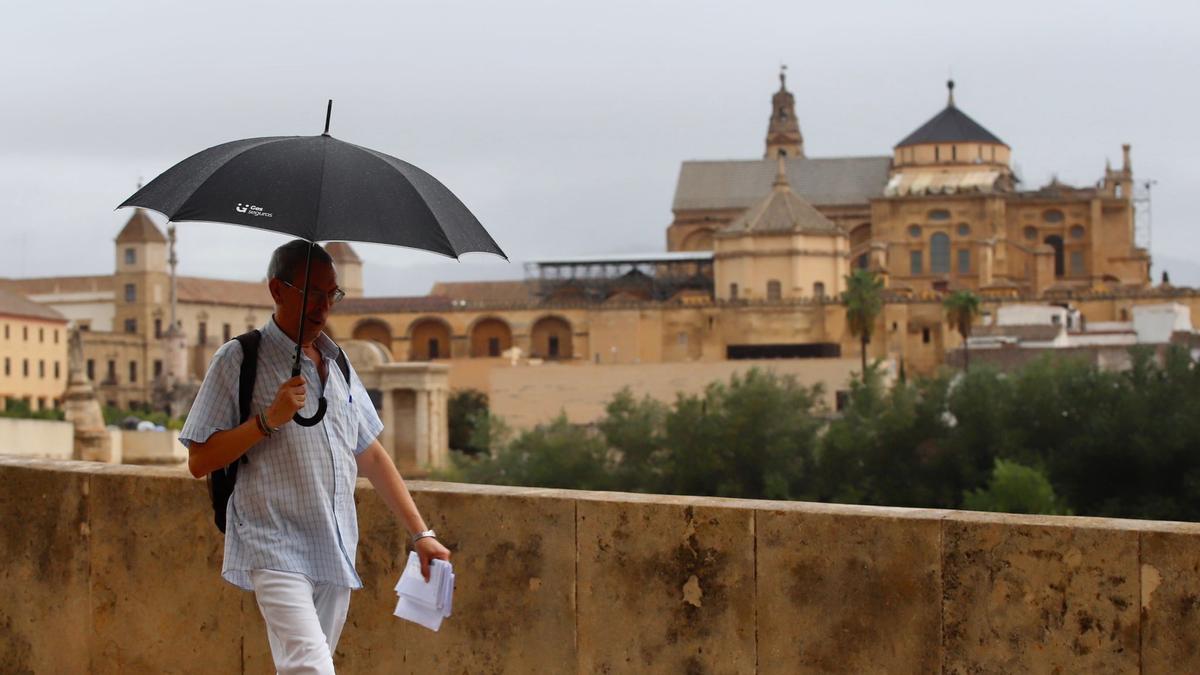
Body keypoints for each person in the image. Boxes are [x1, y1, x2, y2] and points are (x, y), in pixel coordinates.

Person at [180, 240, 450, 674]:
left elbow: (371, 454)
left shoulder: (338, 361)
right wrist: (269, 419)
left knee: (301, 667)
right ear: (277, 290)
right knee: (311, 667)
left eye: (332, 294)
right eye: (312, 293)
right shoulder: (238, 359)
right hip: (273, 543)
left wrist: (421, 534)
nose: (323, 307)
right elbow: (199, 459)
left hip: (334, 545)